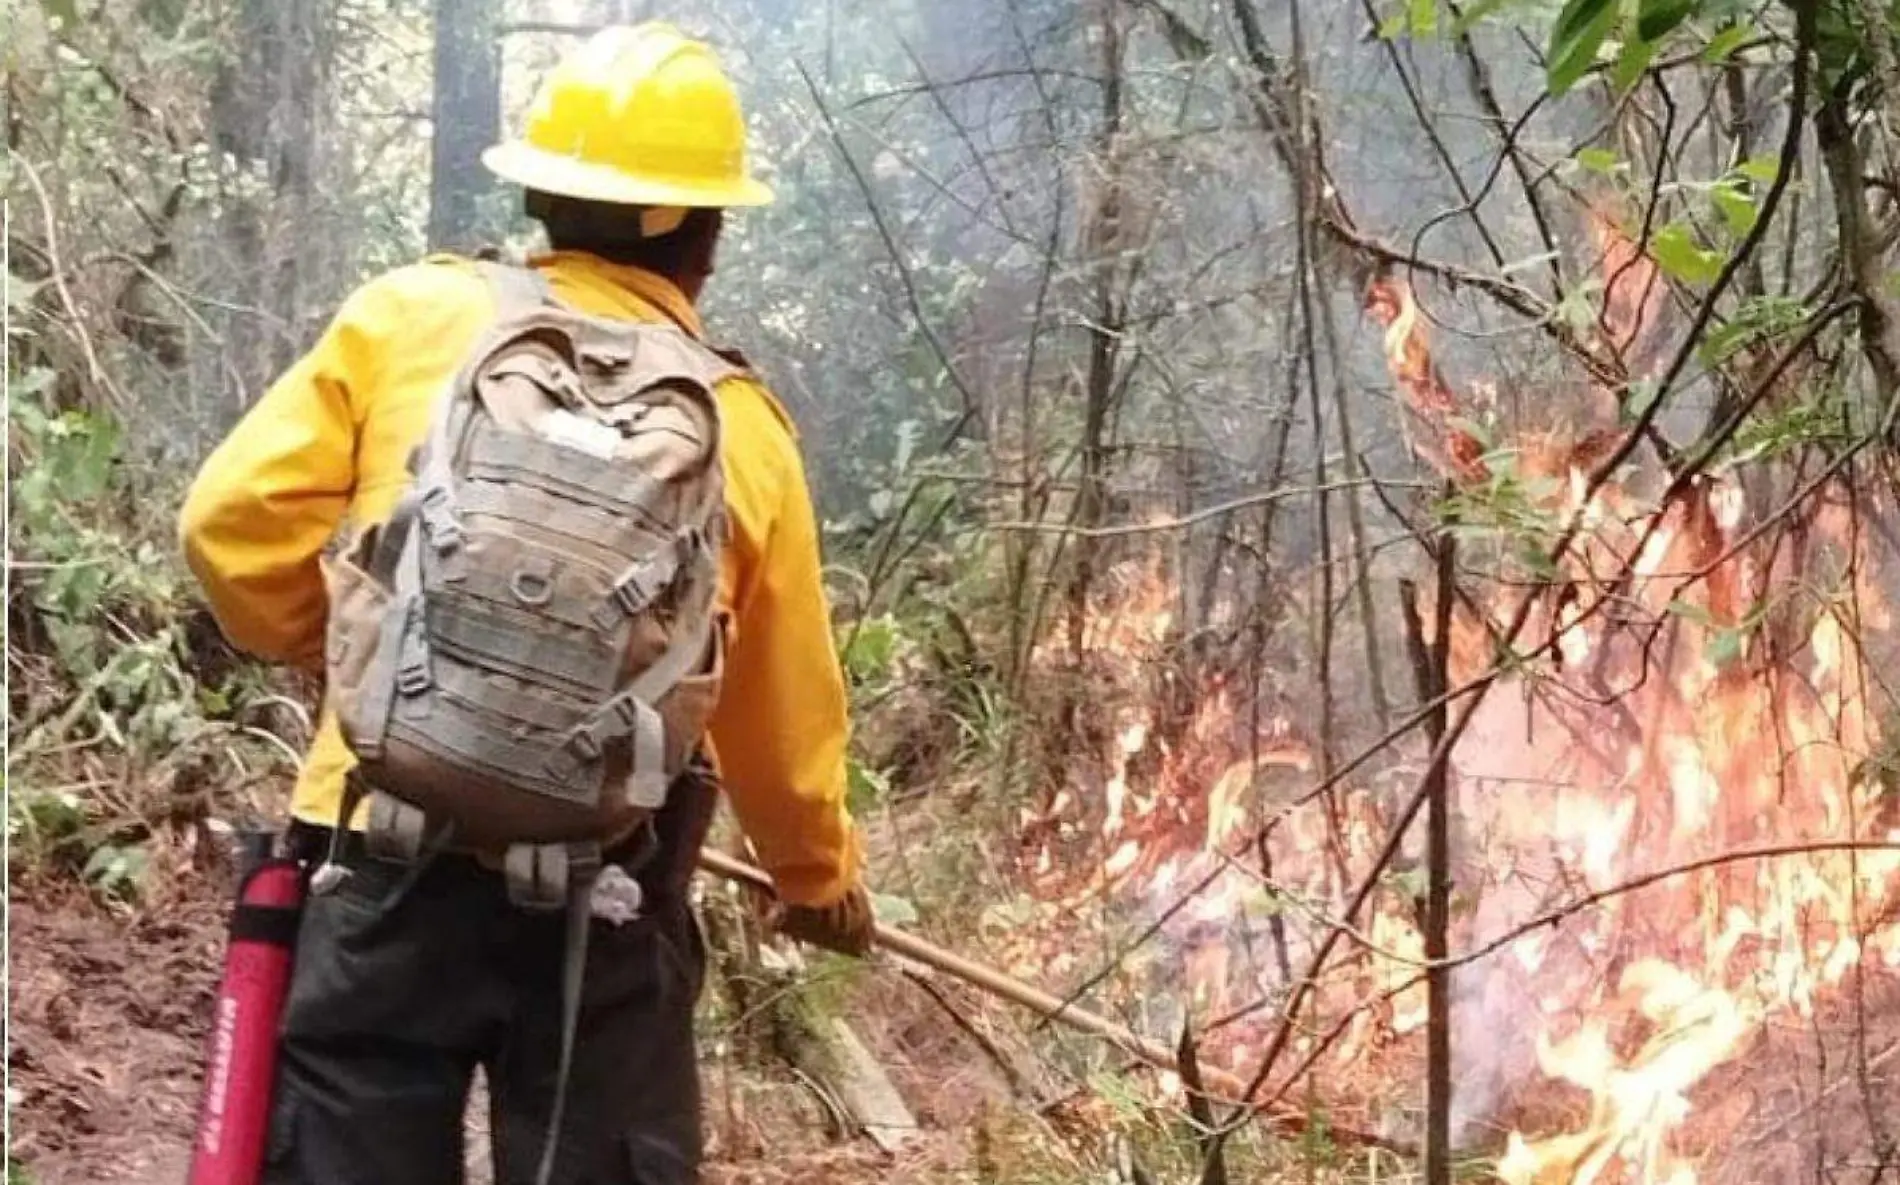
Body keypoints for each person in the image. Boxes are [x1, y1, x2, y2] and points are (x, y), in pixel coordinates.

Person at [179, 23, 872, 1185]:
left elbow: (227, 527)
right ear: (705, 235)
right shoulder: (738, 430)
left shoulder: (409, 318)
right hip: (604, 892)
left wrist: (361, 653)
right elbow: (776, 712)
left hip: (377, 838)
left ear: (543, 194)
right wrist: (816, 881)